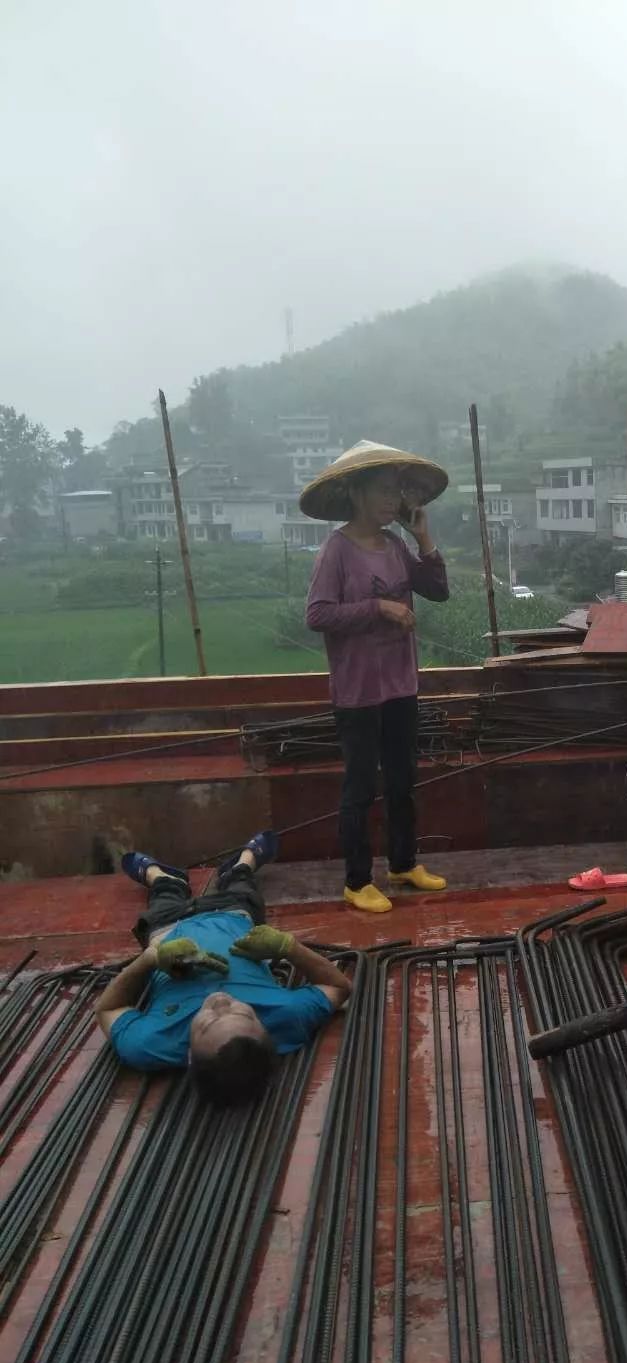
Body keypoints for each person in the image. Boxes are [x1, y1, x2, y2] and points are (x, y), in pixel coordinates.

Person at [302, 442, 451, 915]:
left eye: (399, 492)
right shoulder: (336, 551)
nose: (394, 501)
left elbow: (438, 591)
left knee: (404, 780)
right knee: (361, 786)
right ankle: (357, 880)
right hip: (359, 692)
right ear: (358, 494)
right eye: (386, 491)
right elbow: (318, 613)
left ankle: (404, 863)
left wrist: (424, 538)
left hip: (400, 683)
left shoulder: (396, 545)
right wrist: (380, 607)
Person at [95, 832, 351, 1105]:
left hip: (168, 926)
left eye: (207, 1022)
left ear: (191, 1056)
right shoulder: (287, 1018)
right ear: (267, 1035)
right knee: (241, 885)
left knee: (164, 893)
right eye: (244, 1014)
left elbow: (107, 1009)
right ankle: (244, 862)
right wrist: (287, 947)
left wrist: (151, 959)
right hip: (231, 913)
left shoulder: (149, 1045)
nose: (221, 1002)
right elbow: (339, 987)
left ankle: (162, 878)